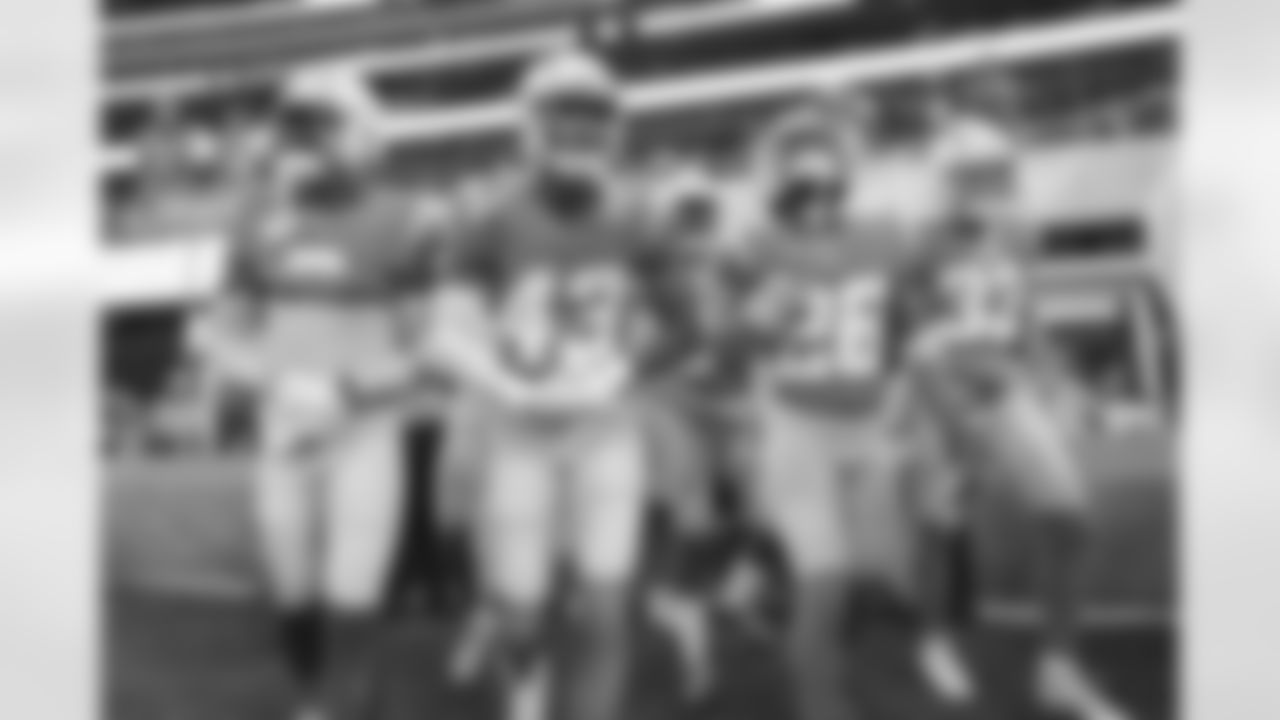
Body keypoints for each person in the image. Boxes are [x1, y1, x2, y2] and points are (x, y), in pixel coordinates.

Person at [423, 47, 703, 720]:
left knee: (605, 605)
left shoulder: (640, 214)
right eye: (562, 118)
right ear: (529, 126)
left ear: (615, 128)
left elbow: (689, 325)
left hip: (604, 429)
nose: (578, 135)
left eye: (592, 119)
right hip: (515, 428)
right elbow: (446, 330)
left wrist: (621, 372)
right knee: (521, 610)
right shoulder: (488, 213)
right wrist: (504, 384)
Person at [186, 66, 431, 720]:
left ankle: (338, 706)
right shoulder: (256, 222)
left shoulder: (404, 220)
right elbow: (224, 330)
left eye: (323, 125)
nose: (307, 140)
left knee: (351, 597)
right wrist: (258, 372)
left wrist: (348, 390)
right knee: (294, 595)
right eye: (298, 125)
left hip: (364, 431)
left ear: (364, 133)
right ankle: (321, 700)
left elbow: (429, 344)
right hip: (285, 432)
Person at [905, 104, 1133, 720]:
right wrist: (952, 415)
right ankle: (934, 639)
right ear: (945, 180)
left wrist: (1068, 383)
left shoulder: (1017, 232)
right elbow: (912, 340)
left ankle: (1058, 667)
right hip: (941, 393)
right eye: (973, 174)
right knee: (942, 527)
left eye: (994, 171)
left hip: (1005, 389)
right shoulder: (919, 244)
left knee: (1069, 518)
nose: (987, 184)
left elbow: (1024, 319)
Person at [723, 96, 919, 720]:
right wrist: (750, 325)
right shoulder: (753, 246)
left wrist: (906, 394)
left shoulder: (883, 236)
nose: (816, 195)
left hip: (868, 427)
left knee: (873, 578)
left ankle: (767, 594)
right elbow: (723, 343)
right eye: (800, 182)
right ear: (775, 180)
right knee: (825, 576)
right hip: (799, 427)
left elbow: (905, 325)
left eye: (826, 179)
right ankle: (819, 705)